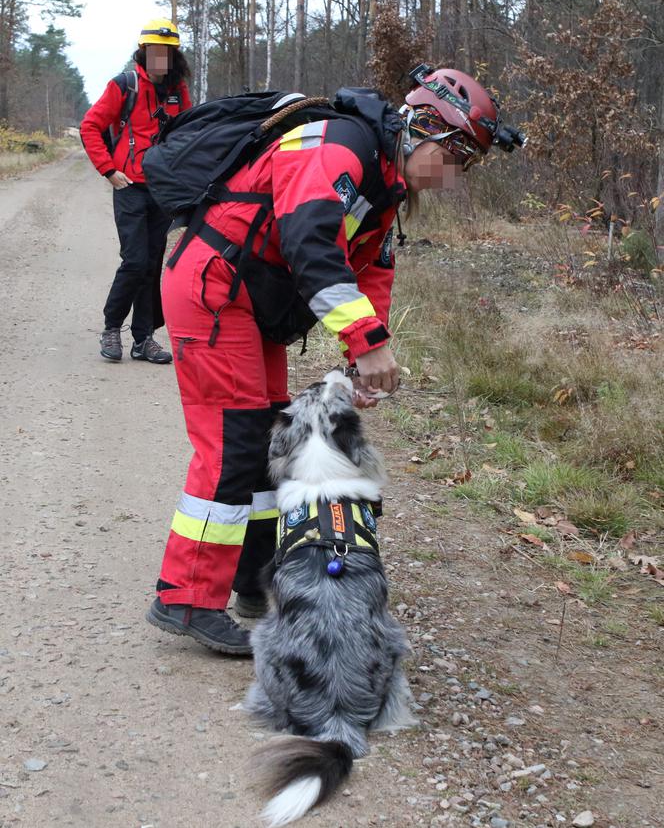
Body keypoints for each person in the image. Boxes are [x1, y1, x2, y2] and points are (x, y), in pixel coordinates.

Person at [145, 66, 522, 655]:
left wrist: (361, 355)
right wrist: (368, 343)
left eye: (467, 165)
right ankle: (186, 597)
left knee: (272, 442)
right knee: (232, 445)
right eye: (456, 159)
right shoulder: (335, 148)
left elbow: (371, 270)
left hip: (252, 302)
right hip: (215, 291)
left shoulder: (387, 184)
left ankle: (252, 579)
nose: (455, 177)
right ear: (424, 127)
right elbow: (310, 244)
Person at [80, 19, 192, 364]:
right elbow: (90, 126)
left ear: (174, 55)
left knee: (152, 263)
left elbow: (187, 132)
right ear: (143, 53)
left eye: (167, 51)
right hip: (128, 186)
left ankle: (144, 339)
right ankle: (112, 327)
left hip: (161, 190)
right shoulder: (124, 85)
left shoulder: (178, 90)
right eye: (155, 51)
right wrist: (108, 170)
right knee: (135, 260)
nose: (161, 57)